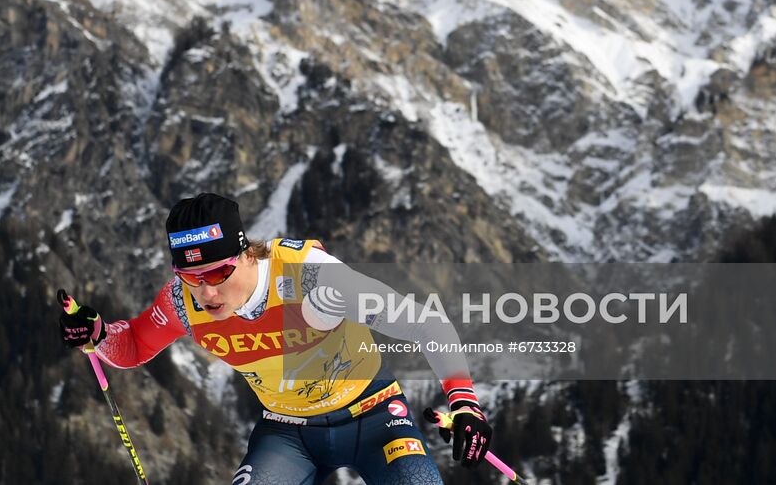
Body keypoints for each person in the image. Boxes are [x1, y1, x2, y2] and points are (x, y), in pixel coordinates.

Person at [59, 192, 493, 483]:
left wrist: (465, 402)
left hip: (376, 418)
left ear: (247, 253)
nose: (206, 292)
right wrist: (98, 333)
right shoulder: (181, 301)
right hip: (288, 433)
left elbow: (426, 324)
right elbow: (133, 344)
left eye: (217, 273)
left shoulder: (313, 275)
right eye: (190, 276)